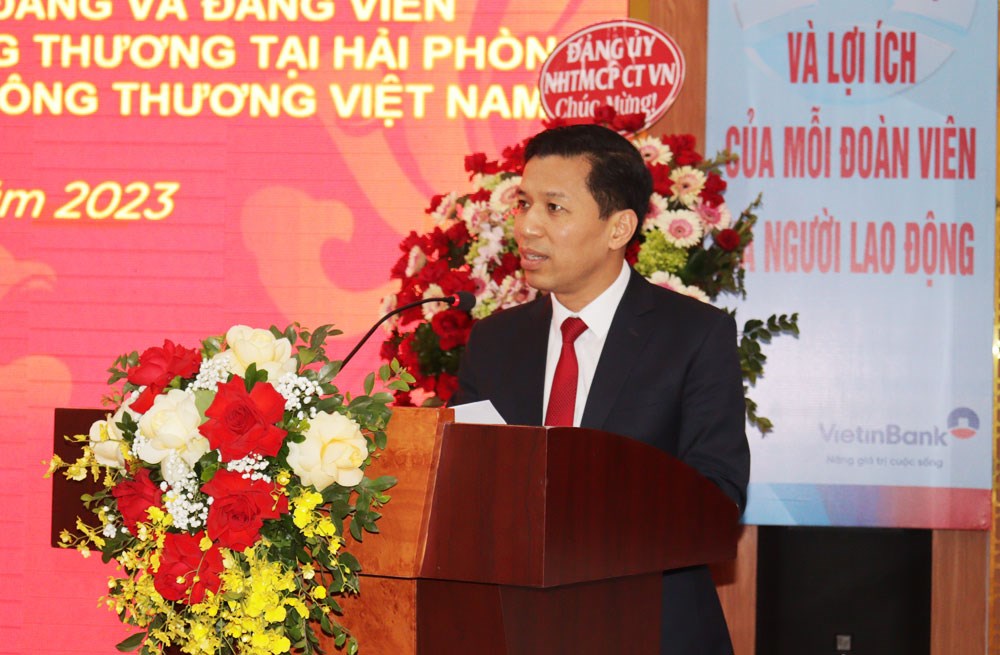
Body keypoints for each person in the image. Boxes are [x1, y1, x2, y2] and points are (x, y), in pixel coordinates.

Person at [451, 123, 750, 654]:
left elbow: (717, 499)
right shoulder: (495, 341)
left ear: (619, 229)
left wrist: (580, 516)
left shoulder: (693, 335)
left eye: (554, 208)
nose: (527, 227)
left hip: (650, 627)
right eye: (524, 204)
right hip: (515, 630)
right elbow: (462, 484)